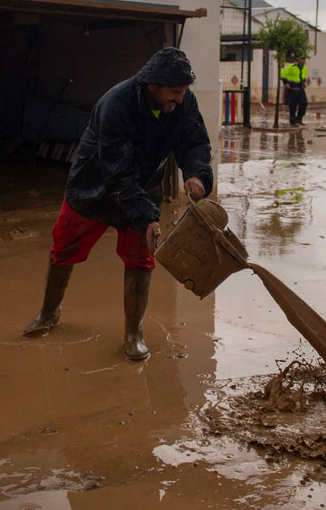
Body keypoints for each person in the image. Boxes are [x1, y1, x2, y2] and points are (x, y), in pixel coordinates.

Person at [22, 47, 213, 361]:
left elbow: (194, 142)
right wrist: (146, 215)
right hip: (93, 185)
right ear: (153, 86)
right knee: (64, 248)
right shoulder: (117, 103)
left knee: (140, 257)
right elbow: (117, 172)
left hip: (142, 185)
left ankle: (133, 332)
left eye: (184, 92)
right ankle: (48, 312)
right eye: (175, 92)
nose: (180, 99)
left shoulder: (183, 102)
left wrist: (197, 175)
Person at [280, 53, 309, 125]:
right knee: (293, 105)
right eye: (301, 59)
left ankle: (299, 118)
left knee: (304, 103)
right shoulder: (291, 67)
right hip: (292, 88)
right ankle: (292, 121)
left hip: (300, 88)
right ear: (298, 59)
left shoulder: (304, 68)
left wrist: (303, 83)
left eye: (304, 60)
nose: (303, 61)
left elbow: (303, 77)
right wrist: (286, 83)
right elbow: (282, 74)